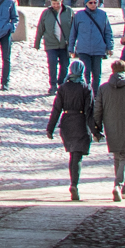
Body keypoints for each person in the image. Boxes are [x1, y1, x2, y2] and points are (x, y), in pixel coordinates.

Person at [91, 60, 125, 202]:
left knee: (117, 157)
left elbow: (98, 109)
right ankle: (118, 185)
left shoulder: (103, 88)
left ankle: (123, 188)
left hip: (111, 125)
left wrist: (97, 126)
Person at [47, 59, 95, 200]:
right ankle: (74, 183)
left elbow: (56, 109)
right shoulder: (86, 88)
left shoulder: (63, 88)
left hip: (67, 124)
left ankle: (73, 183)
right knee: (76, 156)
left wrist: (50, 128)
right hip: (80, 123)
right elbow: (89, 111)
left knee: (72, 155)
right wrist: (96, 130)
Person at [68, 0, 115, 87]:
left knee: (97, 75)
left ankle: (96, 95)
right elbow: (73, 33)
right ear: (86, 3)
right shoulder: (79, 15)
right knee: (86, 74)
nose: (93, 4)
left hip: (98, 49)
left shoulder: (102, 15)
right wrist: (71, 48)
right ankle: (86, 93)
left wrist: (110, 47)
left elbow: (108, 32)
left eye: (95, 2)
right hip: (83, 49)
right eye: (91, 2)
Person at [32, 0, 73, 90]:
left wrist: (74, 43)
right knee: (52, 65)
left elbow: (74, 27)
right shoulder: (46, 13)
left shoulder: (68, 11)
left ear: (61, 2)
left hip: (64, 44)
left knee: (65, 65)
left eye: (57, 3)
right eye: (53, 4)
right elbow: (40, 28)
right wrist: (37, 43)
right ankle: (53, 85)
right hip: (51, 44)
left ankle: (61, 82)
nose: (56, 6)